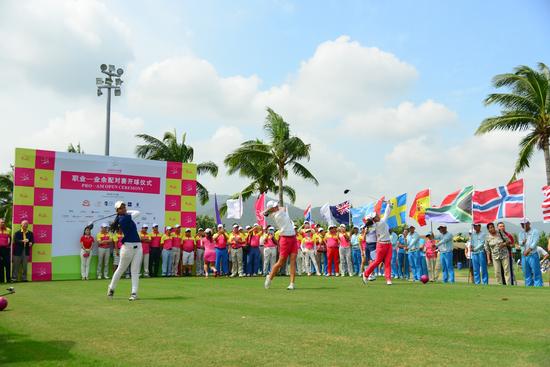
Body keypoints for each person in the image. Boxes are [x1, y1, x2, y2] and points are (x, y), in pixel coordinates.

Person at [107, 201, 143, 301]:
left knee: (135, 271)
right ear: (117, 210)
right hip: (127, 248)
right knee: (120, 270)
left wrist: (124, 212)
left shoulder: (124, 216)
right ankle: (111, 288)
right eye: (121, 208)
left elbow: (135, 213)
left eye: (124, 207)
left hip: (138, 247)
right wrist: (125, 213)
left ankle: (134, 293)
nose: (124, 209)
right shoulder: (123, 219)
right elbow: (138, 212)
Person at [263, 201, 298, 290]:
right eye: (275, 206)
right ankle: (269, 278)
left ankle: (292, 283)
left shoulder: (278, 211)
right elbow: (280, 208)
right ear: (272, 209)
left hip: (293, 238)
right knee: (280, 262)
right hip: (285, 239)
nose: (277, 206)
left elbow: (267, 212)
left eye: (277, 205)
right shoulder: (278, 215)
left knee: (293, 261)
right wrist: (267, 211)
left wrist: (267, 211)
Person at [362, 203, 393, 285]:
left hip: (388, 244)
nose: (378, 215)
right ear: (374, 218)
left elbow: (368, 223)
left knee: (387, 262)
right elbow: (387, 213)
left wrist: (389, 206)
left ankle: (388, 279)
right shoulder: (380, 222)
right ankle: (366, 274)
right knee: (377, 261)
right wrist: (389, 205)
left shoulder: (375, 224)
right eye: (376, 215)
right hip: (381, 245)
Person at [517, 218, 543, 287]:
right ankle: (528, 286)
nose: (523, 226)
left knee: (536, 272)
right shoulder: (521, 233)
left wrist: (528, 250)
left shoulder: (535, 231)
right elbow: (520, 243)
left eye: (525, 224)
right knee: (526, 272)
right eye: (522, 224)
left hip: (532, 254)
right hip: (524, 255)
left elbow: (534, 242)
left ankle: (538, 286)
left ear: (528, 223)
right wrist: (522, 242)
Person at [0, 219, 11, 283]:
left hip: (6, 250)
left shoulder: (8, 230)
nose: (3, 223)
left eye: (3, 222)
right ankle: (1, 280)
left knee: (8, 265)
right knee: (0, 266)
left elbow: (10, 239)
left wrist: (8, 247)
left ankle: (8, 280)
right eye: (1, 222)